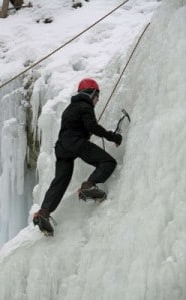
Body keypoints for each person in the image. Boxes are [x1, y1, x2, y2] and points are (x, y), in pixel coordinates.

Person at [33, 78, 122, 235]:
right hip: (76, 143)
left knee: (60, 182)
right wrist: (112, 137)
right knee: (108, 161)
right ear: (92, 94)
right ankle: (88, 186)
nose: (97, 100)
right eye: (97, 97)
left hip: (62, 148)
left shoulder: (70, 108)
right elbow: (92, 126)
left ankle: (44, 212)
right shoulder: (85, 105)